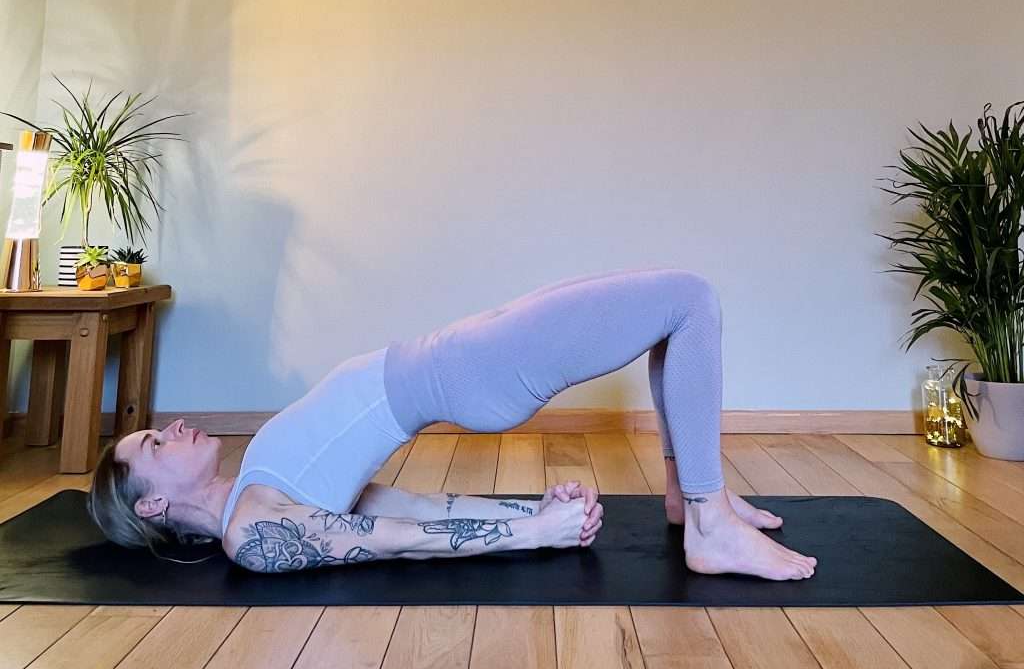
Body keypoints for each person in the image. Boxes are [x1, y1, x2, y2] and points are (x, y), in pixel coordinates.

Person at [88, 267, 817, 580]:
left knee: (673, 309)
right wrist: (532, 534)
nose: (173, 425)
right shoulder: (252, 529)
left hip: (460, 355)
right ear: (151, 501)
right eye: (154, 441)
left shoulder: (262, 482)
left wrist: (530, 511)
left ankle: (687, 496)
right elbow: (392, 544)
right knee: (689, 300)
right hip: (471, 371)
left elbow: (407, 508)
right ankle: (708, 521)